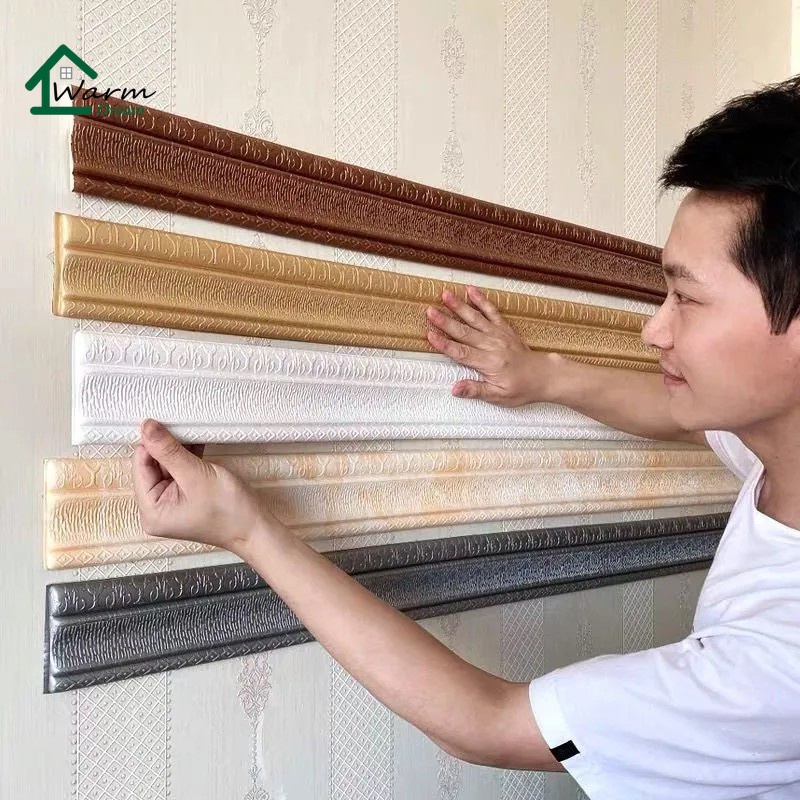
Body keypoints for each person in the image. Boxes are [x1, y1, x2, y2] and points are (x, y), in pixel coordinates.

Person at [131, 74, 800, 799]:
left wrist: (248, 530)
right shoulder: (770, 441)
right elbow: (675, 413)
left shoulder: (779, 661)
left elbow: (485, 723)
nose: (654, 328)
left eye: (688, 298)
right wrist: (543, 376)